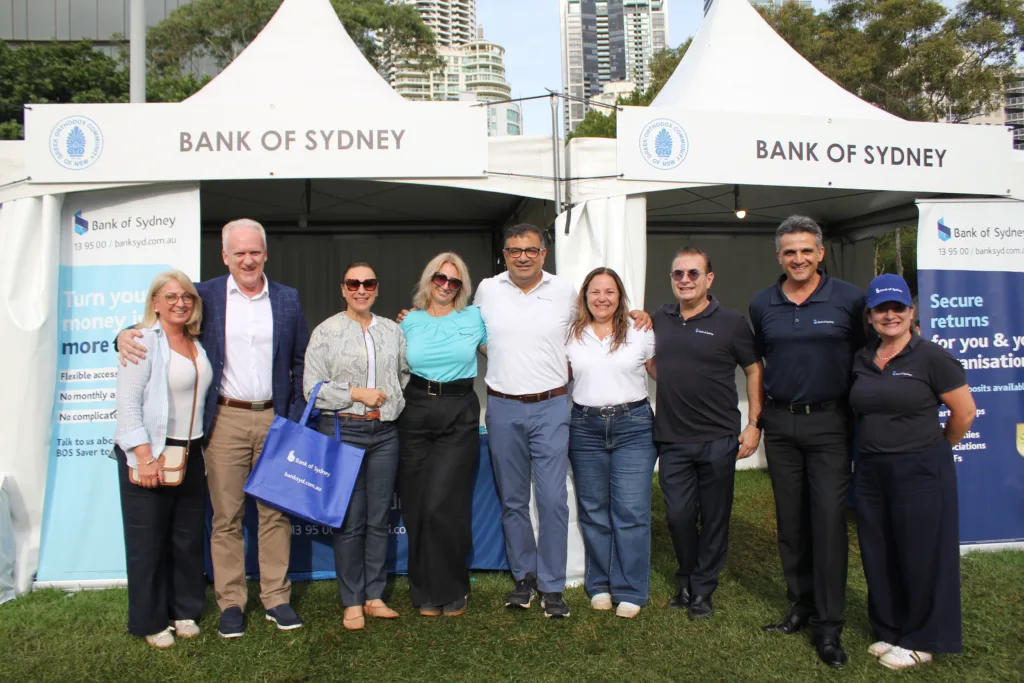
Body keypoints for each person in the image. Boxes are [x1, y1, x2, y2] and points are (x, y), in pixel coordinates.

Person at [118, 218, 309, 638]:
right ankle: (231, 602)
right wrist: (123, 334)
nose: (247, 259)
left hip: (276, 418)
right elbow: (159, 321)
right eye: (238, 252)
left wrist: (292, 417)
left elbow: (299, 362)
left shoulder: (288, 299)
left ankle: (276, 597)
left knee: (274, 513)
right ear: (225, 256)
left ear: (265, 253)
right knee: (226, 516)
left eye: (254, 251)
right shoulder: (204, 295)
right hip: (224, 419)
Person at [749, 215, 866, 668]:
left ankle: (829, 626)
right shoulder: (763, 304)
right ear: (779, 256)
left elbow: (871, 353)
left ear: (820, 253)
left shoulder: (850, 300)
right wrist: (757, 419)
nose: (798, 258)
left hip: (830, 424)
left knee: (829, 523)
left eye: (806, 250)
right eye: (789, 251)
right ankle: (800, 605)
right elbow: (758, 363)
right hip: (781, 424)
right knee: (792, 523)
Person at [849, 274, 974, 671]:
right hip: (870, 468)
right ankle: (890, 628)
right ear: (870, 315)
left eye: (897, 308)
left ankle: (922, 639)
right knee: (879, 550)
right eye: (881, 309)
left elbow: (964, 413)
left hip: (920, 468)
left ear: (911, 311)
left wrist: (935, 450)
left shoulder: (931, 357)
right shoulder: (863, 357)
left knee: (921, 554)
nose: (890, 316)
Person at [653, 247, 764, 621]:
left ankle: (702, 589)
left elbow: (753, 370)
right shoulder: (659, 319)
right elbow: (652, 363)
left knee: (715, 517)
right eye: (678, 274)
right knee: (679, 516)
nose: (685, 280)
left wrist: (753, 424)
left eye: (693, 274)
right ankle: (685, 576)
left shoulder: (731, 322)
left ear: (709, 279)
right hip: (671, 437)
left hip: (719, 437)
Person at [304, 262, 408, 631]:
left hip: (383, 435)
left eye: (369, 283)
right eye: (354, 283)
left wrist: (389, 406)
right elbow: (311, 390)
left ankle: (374, 596)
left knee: (379, 518)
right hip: (342, 431)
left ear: (377, 288)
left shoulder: (393, 331)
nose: (361, 289)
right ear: (343, 288)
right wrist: (355, 394)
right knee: (350, 521)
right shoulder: (326, 331)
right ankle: (351, 601)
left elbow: (403, 376)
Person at [113, 271, 213, 648]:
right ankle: (150, 620)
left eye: (186, 296)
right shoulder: (141, 341)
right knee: (147, 543)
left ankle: (183, 609)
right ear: (154, 302)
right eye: (170, 296)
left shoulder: (197, 342)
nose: (180, 303)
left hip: (191, 453)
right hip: (151, 453)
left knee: (186, 539)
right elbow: (127, 404)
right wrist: (143, 456)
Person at [565, 267, 657, 619]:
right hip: (585, 426)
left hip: (633, 425)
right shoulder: (570, 334)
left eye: (610, 292)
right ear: (585, 296)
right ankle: (600, 584)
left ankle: (631, 588)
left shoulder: (640, 331)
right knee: (593, 511)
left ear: (620, 297)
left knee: (631, 512)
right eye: (595, 292)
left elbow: (660, 370)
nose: (602, 298)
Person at [398, 253, 486, 618]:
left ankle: (452, 585)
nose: (446, 286)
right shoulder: (407, 321)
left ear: (462, 287)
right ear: (428, 280)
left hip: (458, 410)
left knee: (442, 502)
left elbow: (515, 341)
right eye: (440, 278)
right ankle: (424, 590)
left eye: (454, 281)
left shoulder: (475, 318)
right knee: (417, 504)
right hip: (415, 409)